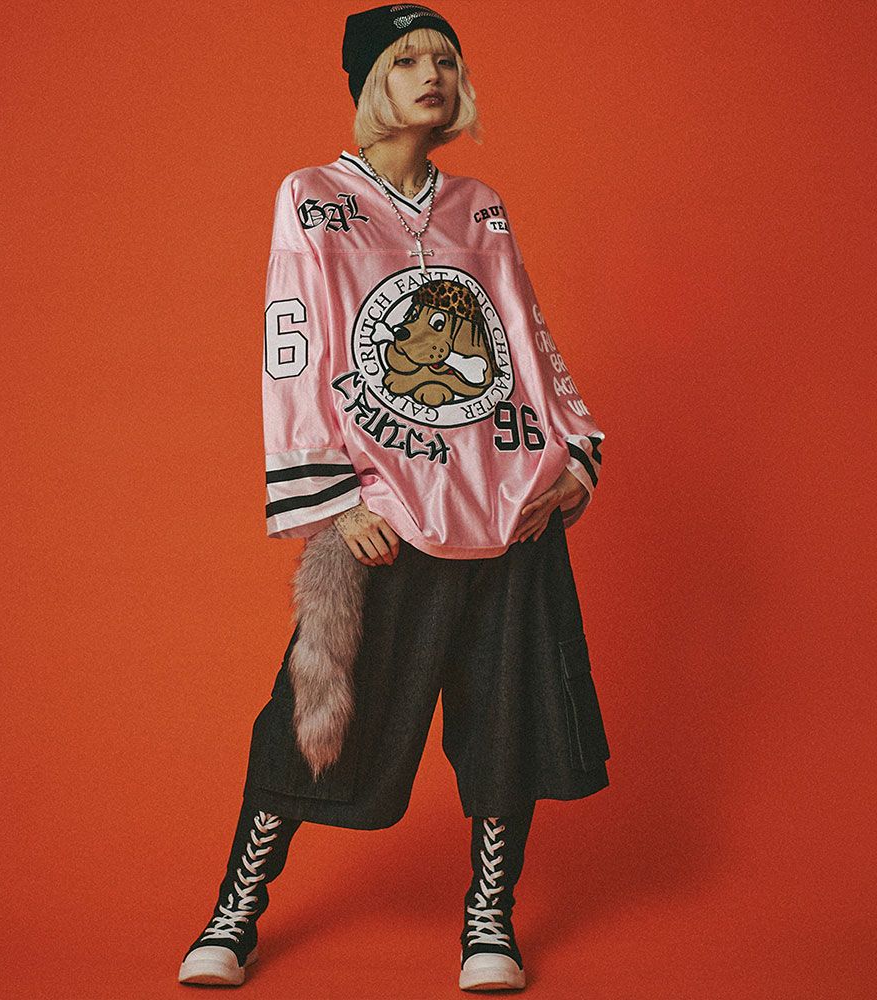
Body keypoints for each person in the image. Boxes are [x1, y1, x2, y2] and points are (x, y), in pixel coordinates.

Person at [178, 4, 612, 992]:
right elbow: (293, 347)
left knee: (506, 718)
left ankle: (489, 918)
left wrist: (576, 456)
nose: (432, 74)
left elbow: (525, 335)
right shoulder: (315, 199)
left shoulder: (479, 206)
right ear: (368, 79)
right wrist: (335, 500)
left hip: (506, 508)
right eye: (407, 58)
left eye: (446, 59)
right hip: (388, 510)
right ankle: (236, 910)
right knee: (317, 718)